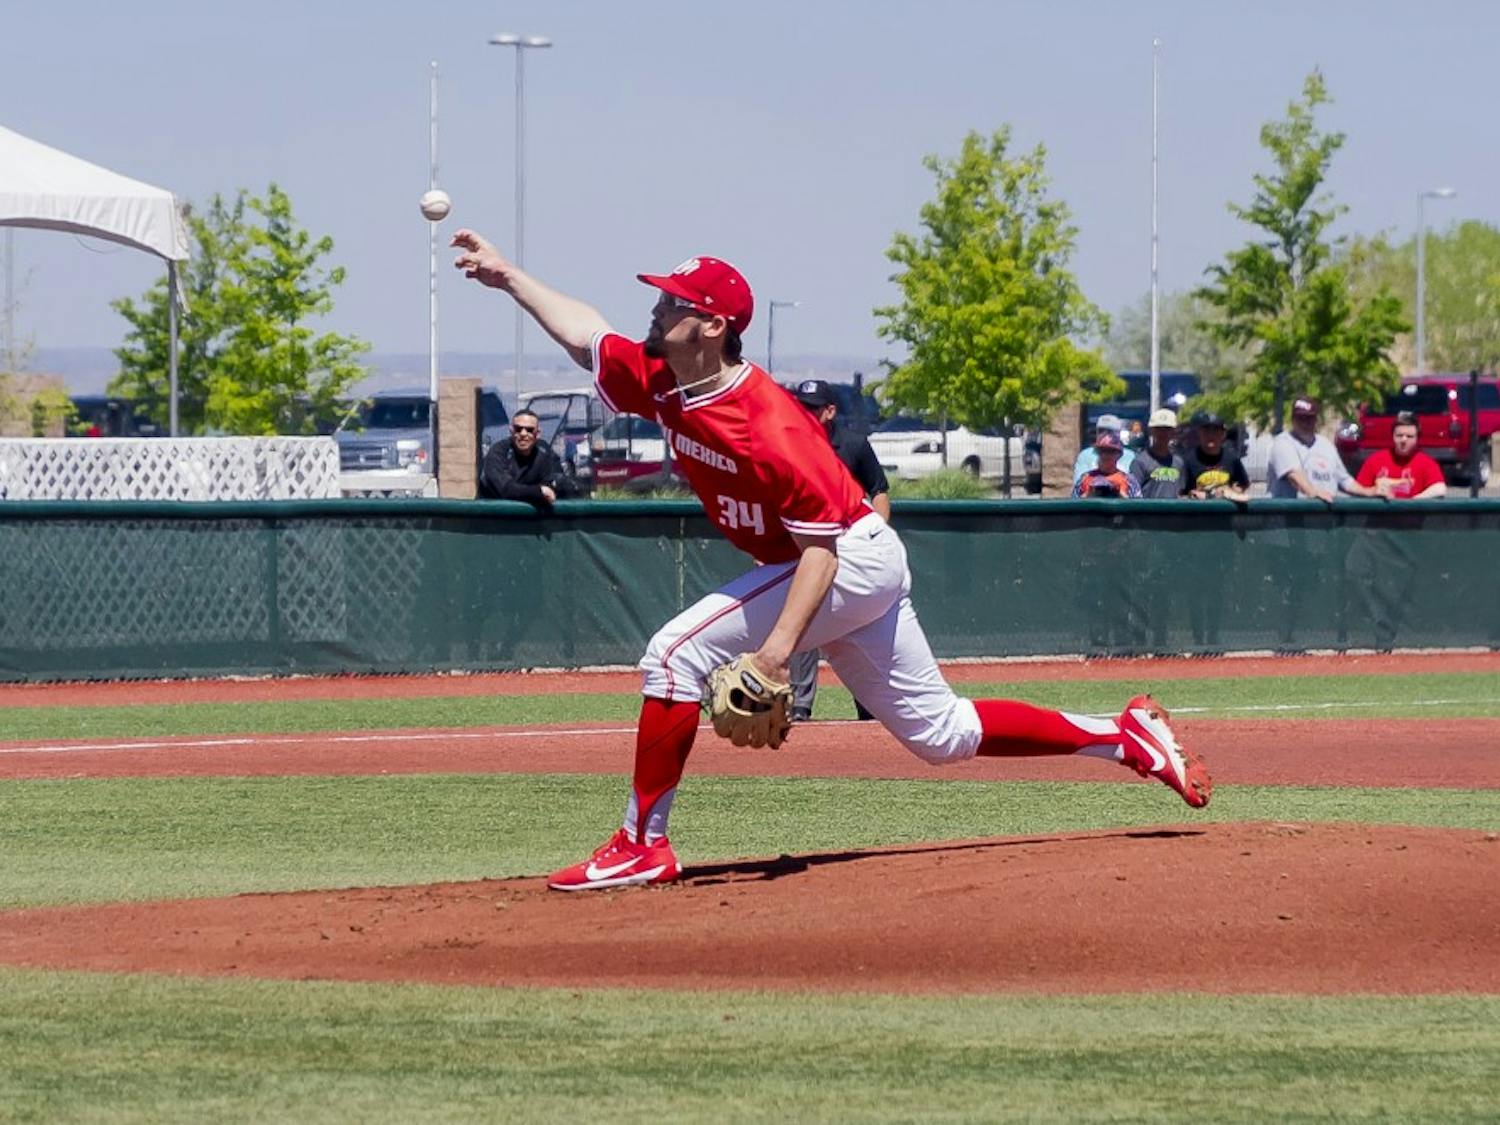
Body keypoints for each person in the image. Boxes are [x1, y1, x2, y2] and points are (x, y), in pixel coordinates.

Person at [452, 230, 1211, 891]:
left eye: (673, 301)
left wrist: (776, 653)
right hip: (844, 561)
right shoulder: (665, 377)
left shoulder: (770, 425)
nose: (657, 309)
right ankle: (1125, 736)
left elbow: (819, 551)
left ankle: (642, 845)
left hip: (845, 559)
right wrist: (509, 276)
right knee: (942, 734)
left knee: (671, 655)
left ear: (712, 325)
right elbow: (588, 333)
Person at [787, 378, 891, 722]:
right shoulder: (788, 446)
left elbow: (879, 491)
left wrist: (878, 535)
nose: (804, 412)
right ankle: (800, 706)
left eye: (812, 407)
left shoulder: (853, 445)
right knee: (802, 623)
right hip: (808, 549)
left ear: (830, 411)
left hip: (853, 549)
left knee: (858, 630)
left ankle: (869, 705)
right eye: (800, 406)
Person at [1267, 396, 1383, 501]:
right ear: (1292, 419)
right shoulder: (1282, 442)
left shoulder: (1326, 445)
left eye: (1309, 418)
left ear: (1316, 420)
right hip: (1289, 519)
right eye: (1300, 418)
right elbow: (1294, 476)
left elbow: (1344, 480)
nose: (1305, 423)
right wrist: (1312, 492)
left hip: (1323, 516)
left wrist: (1369, 491)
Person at [478, 408, 575, 507]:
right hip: (494, 516)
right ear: (511, 431)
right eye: (518, 429)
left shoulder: (544, 452)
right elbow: (505, 489)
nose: (523, 434)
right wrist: (538, 491)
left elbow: (557, 481)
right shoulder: (498, 452)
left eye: (529, 430)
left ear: (537, 434)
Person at [1356, 412, 1447, 499]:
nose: (1404, 440)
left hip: (1412, 513)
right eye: (1399, 435)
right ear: (1392, 436)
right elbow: (1358, 490)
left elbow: (1439, 489)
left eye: (1409, 436)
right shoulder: (1375, 460)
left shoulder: (1427, 463)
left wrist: (1414, 502)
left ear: (1417, 438)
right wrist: (1373, 491)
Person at [1182, 412, 1251, 502]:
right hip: (1198, 513)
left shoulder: (1232, 459)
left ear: (1223, 434)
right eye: (1206, 431)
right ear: (1199, 433)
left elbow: (1243, 484)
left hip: (1226, 513)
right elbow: (1181, 493)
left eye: (1215, 431)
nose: (1211, 435)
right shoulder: (1189, 461)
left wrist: (1231, 492)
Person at [1129, 408, 1188, 498]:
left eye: (1167, 429)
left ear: (1173, 432)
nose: (1163, 433)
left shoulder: (1179, 463)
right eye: (1159, 429)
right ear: (1151, 431)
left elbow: (1181, 491)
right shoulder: (1140, 462)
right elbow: (1133, 495)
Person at [1071, 430, 1141, 498]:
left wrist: (1121, 495)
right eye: (1102, 451)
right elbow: (1072, 505)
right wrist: (1088, 494)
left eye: (1111, 452)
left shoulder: (1129, 480)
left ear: (1119, 455)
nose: (1106, 455)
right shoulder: (1085, 478)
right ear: (1097, 452)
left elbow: (1139, 506)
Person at [1071, 414, 1137, 483]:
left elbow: (1133, 485)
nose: (1105, 435)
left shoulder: (1130, 456)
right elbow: (1079, 483)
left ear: (1118, 434)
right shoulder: (1085, 455)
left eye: (1110, 431)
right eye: (1101, 431)